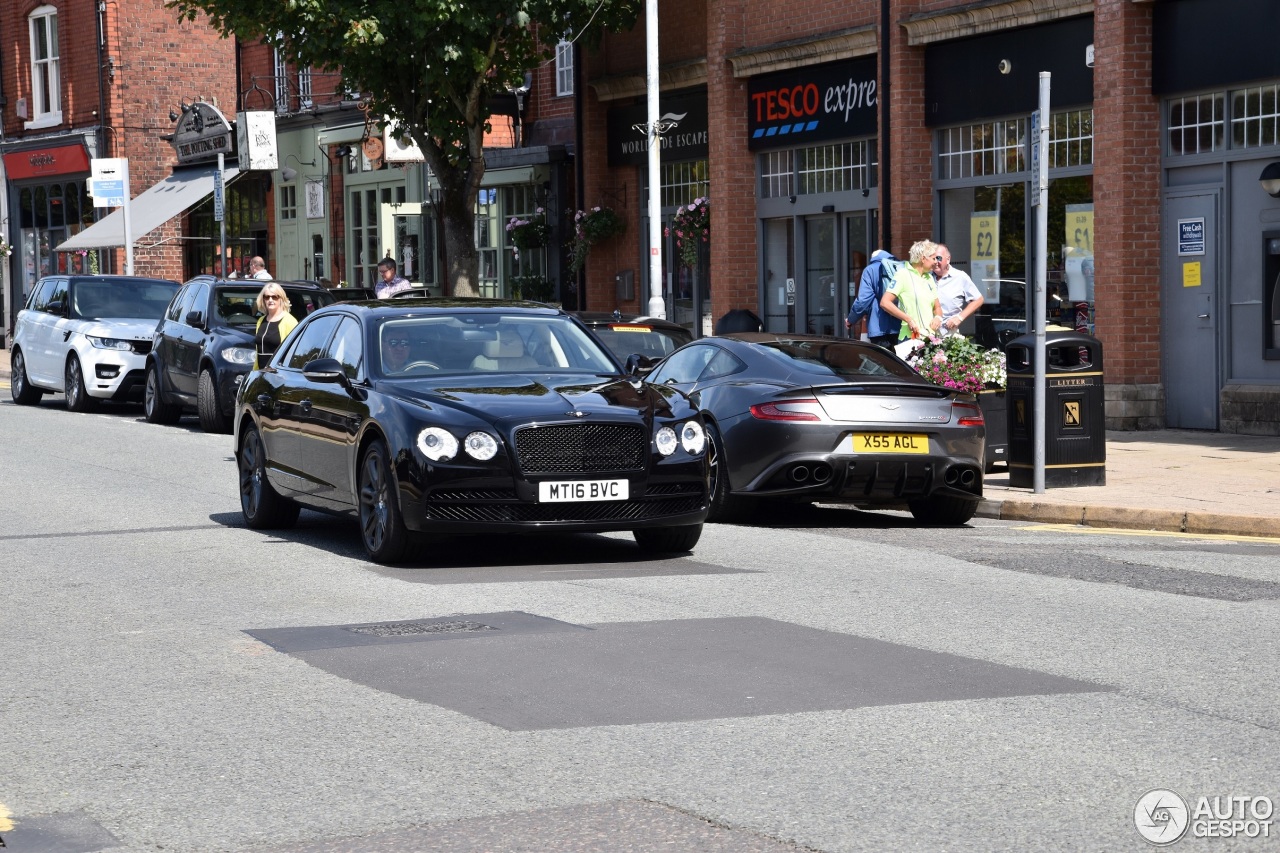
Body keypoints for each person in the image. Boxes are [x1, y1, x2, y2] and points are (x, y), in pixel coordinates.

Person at [880, 240, 943, 342]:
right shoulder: (903, 274)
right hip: (910, 338)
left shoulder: (929, 278)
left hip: (930, 338)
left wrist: (938, 318)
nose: (936, 262)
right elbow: (885, 303)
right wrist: (908, 319)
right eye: (933, 258)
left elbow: (937, 307)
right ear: (923, 258)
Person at [846, 249, 901, 348]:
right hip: (901, 325)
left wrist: (851, 319)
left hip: (879, 327)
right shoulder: (900, 267)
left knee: (883, 361)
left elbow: (863, 300)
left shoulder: (870, 270)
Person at [933, 244, 985, 334]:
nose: (935, 262)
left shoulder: (959, 277)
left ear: (948, 259)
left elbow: (978, 300)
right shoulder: (926, 277)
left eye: (938, 258)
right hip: (926, 334)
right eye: (933, 258)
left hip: (948, 334)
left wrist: (959, 317)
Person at [253, 283, 297, 368]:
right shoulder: (261, 321)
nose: (270, 300)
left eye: (274, 297)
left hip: (279, 374)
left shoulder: (290, 321)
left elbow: (294, 352)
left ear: (281, 299)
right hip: (261, 373)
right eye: (267, 297)